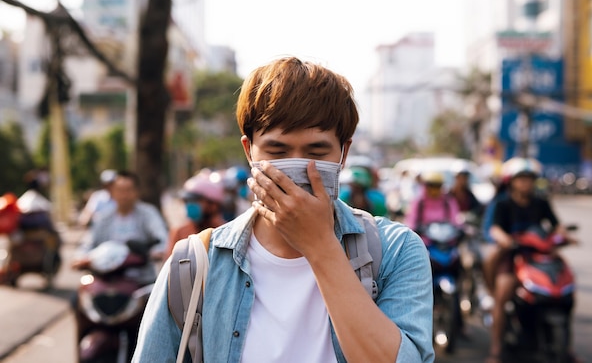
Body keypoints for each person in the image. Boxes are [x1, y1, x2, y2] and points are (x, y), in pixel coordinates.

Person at [132, 56, 434, 362]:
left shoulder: (395, 251)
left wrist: (320, 247)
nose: (299, 166)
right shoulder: (193, 265)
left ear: (344, 154)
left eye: (317, 152)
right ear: (249, 151)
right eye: (278, 151)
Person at [484, 157, 579, 363]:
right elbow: (495, 228)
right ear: (511, 181)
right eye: (522, 179)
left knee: (565, 290)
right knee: (503, 293)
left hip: (539, 255)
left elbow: (555, 225)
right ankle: (496, 350)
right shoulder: (503, 204)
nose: (526, 183)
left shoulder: (541, 202)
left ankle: (568, 349)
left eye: (530, 179)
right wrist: (505, 240)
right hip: (514, 255)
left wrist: (564, 236)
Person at [72, 170, 169, 281]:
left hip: (141, 279)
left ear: (137, 192)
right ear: (112, 192)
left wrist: (155, 252)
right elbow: (87, 243)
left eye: (128, 190)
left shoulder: (148, 214)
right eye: (119, 190)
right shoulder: (104, 218)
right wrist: (79, 258)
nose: (124, 195)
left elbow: (163, 240)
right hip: (106, 278)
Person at [165, 169, 226, 256]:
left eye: (195, 201)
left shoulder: (225, 233)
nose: (190, 205)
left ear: (213, 205)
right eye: (187, 201)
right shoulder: (179, 233)